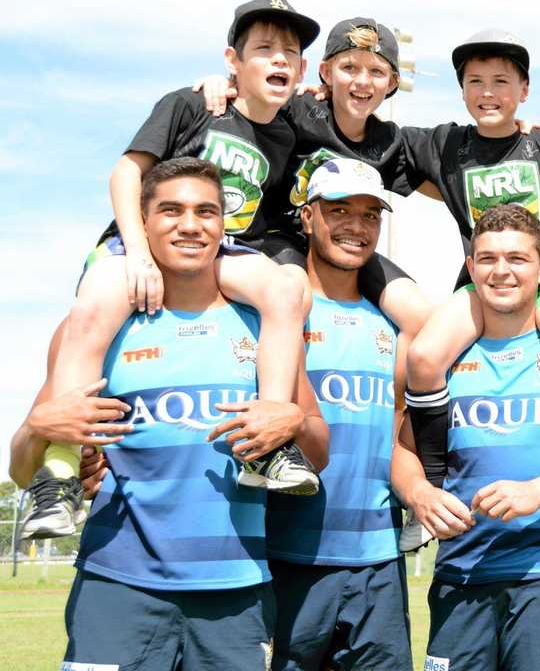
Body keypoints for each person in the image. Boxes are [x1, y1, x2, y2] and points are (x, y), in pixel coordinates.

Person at [21, 0, 322, 539]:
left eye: (290, 53)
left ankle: (269, 447)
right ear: (233, 61)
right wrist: (137, 251)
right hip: (142, 242)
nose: (278, 59)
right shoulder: (191, 104)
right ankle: (60, 472)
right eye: (263, 50)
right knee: (94, 303)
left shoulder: (286, 133)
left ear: (302, 68)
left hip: (217, 250)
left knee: (287, 291)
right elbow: (124, 174)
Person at [14, 157, 328, 670]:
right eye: (171, 210)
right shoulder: (99, 322)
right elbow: (23, 467)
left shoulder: (263, 323)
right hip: (117, 584)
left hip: (236, 590)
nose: (190, 224)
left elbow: (318, 450)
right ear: (142, 222)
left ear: (222, 224)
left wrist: (290, 420)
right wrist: (34, 428)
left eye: (206, 211)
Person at [399, 31, 540, 548]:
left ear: (524, 90)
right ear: (462, 90)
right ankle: (433, 491)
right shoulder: (447, 144)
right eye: (475, 82)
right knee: (422, 357)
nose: (488, 92)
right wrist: (311, 100)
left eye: (501, 82)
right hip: (481, 282)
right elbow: (366, 135)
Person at [402, 204, 540, 670]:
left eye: (517, 259)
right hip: (460, 574)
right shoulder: (448, 357)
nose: (502, 271)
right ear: (471, 269)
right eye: (488, 259)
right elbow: (403, 450)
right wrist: (419, 494)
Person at [196, 17, 434, 338]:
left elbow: (451, 180)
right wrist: (224, 82)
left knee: (418, 312)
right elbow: (247, 103)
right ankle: (289, 386)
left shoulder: (390, 142)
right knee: (295, 296)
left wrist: (514, 132)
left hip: (347, 248)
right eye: (349, 68)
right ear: (325, 72)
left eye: (376, 71)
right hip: (283, 237)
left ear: (392, 82)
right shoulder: (298, 109)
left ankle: (401, 389)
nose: (362, 81)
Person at [265, 158, 414, 670]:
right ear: (307, 217)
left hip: (378, 563)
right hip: (287, 559)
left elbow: (399, 430)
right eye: (339, 210)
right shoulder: (272, 316)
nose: (356, 225)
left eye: (370, 213)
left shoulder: (392, 325)